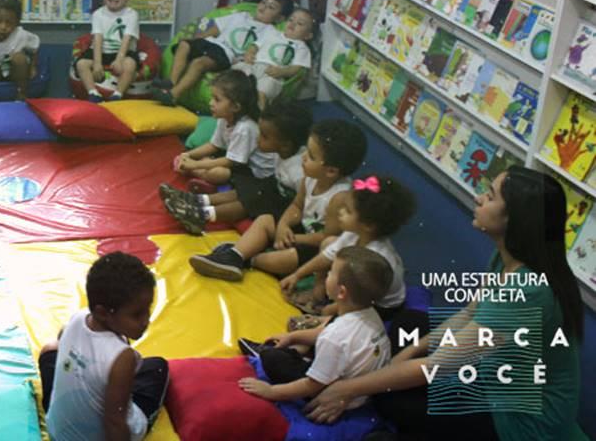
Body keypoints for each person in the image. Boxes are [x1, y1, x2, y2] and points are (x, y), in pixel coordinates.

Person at [305, 167, 586, 441]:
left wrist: (347, 388)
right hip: (489, 374)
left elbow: (438, 365)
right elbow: (469, 313)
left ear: (514, 220)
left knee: (393, 400)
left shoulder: (528, 289)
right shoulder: (506, 259)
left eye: (489, 196)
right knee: (408, 324)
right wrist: (406, 354)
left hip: (516, 420)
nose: (478, 198)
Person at [187, 119, 366, 282]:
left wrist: (293, 238)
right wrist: (283, 226)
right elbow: (297, 206)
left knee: (289, 258)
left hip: (315, 246)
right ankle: (235, 254)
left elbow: (326, 238)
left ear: (331, 171)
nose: (303, 157)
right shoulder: (310, 178)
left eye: (311, 156)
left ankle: (249, 260)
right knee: (265, 219)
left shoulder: (339, 197)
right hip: (301, 231)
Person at [240, 246, 392, 410]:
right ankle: (298, 350)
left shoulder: (334, 336)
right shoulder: (370, 313)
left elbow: (311, 385)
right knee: (327, 328)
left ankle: (284, 353)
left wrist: (271, 391)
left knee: (272, 358)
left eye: (331, 272)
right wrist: (292, 337)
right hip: (361, 389)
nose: (327, 274)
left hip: (331, 394)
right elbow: (329, 332)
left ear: (341, 292)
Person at [40, 252, 169, 441]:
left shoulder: (78, 317)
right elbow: (114, 422)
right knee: (158, 366)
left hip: (57, 430)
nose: (146, 321)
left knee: (50, 349)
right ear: (102, 313)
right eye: (136, 315)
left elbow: (63, 337)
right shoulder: (122, 357)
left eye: (148, 310)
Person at [160, 99, 312, 233]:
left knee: (252, 200)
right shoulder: (283, 152)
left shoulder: (298, 171)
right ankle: (196, 200)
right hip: (274, 189)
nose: (258, 138)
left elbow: (302, 205)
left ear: (285, 145)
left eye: (264, 136)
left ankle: (200, 215)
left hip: (285, 207)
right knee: (248, 190)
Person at [280, 174, 415, 318]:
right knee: (329, 243)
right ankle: (319, 291)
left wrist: (331, 310)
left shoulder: (374, 258)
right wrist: (297, 275)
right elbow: (326, 256)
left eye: (348, 211)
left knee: (332, 304)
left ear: (368, 225)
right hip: (358, 287)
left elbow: (362, 299)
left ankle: (323, 304)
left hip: (377, 305)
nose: (340, 211)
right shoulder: (355, 233)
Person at [153, 0, 292, 106]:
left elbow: (266, 49)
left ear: (279, 18)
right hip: (211, 42)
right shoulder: (240, 16)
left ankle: (173, 95)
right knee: (184, 44)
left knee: (198, 63)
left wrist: (248, 56)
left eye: (271, 7)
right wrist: (199, 37)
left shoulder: (270, 31)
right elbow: (217, 28)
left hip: (226, 53)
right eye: (263, 2)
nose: (263, 7)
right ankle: (170, 82)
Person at [168, 70, 267, 190]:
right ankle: (198, 173)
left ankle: (197, 174)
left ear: (235, 107)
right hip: (238, 162)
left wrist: (195, 165)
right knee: (206, 161)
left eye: (217, 100)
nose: (211, 103)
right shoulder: (224, 119)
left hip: (255, 174)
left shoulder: (245, 128)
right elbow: (214, 145)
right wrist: (187, 154)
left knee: (218, 173)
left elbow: (230, 161)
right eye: (212, 98)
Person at [74, 0, 141, 102]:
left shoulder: (132, 15)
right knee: (81, 64)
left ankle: (118, 94)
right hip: (102, 51)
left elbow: (127, 39)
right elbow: (97, 39)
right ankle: (93, 93)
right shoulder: (98, 14)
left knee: (130, 65)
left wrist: (119, 59)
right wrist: (97, 63)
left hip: (123, 51)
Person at [234, 7, 317, 109]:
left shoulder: (302, 48)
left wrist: (282, 72)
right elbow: (255, 45)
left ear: (308, 35)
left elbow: (296, 68)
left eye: (300, 23)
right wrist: (250, 53)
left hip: (273, 74)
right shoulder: (272, 33)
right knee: (237, 72)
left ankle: (260, 114)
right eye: (291, 20)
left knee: (265, 89)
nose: (293, 24)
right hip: (255, 65)